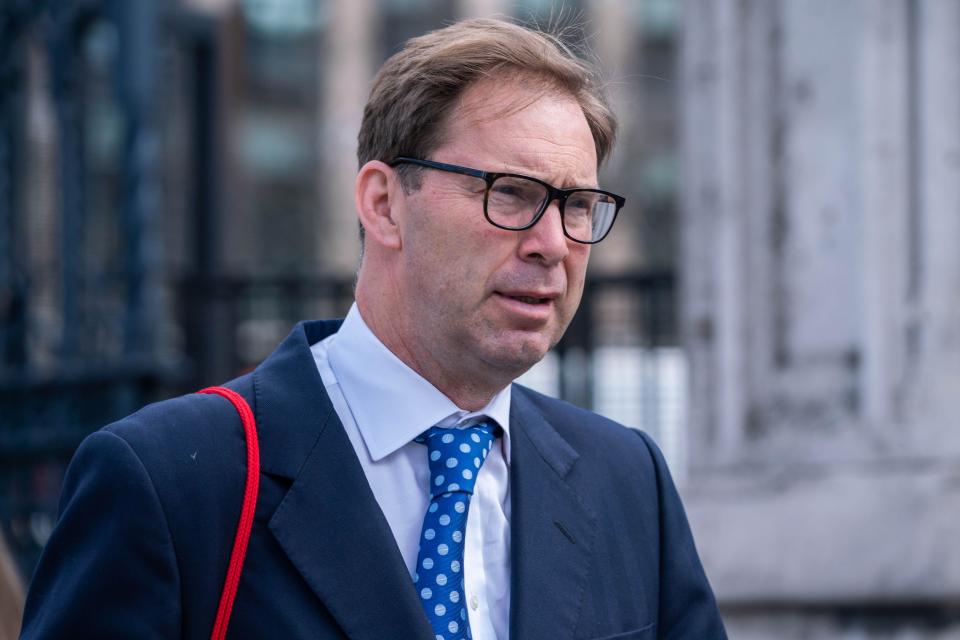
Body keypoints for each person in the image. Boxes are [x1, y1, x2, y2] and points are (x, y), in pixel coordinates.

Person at [20, 18, 726, 640]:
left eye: (578, 205)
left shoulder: (628, 481)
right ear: (384, 204)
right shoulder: (168, 480)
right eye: (511, 192)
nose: (554, 242)